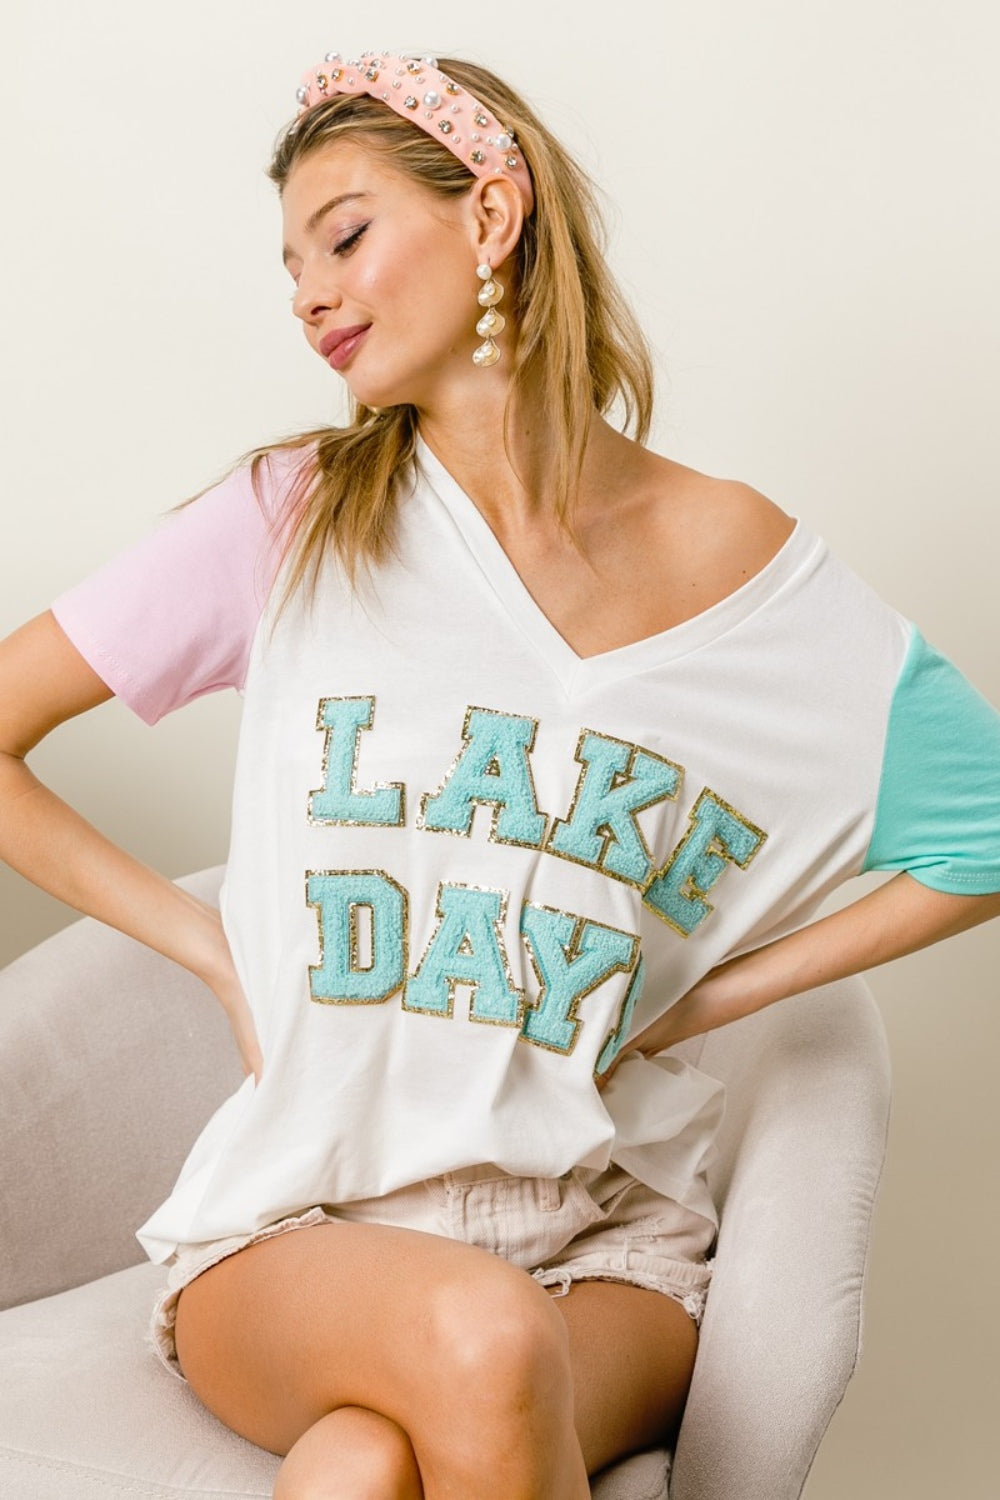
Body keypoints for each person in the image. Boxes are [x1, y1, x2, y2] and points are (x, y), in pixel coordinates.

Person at [1, 46, 998, 1500]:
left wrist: (702, 999)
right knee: (474, 1336)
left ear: (489, 214)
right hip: (296, 1231)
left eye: (344, 235)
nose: (309, 295)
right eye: (289, 266)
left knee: (357, 1470)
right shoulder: (291, 527)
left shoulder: (745, 571)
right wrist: (210, 947)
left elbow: (982, 829)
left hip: (607, 1245)